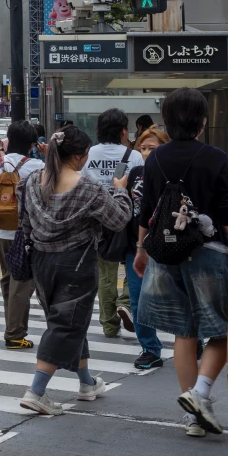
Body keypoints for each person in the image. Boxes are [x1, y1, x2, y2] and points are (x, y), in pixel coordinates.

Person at [135, 88, 228, 438]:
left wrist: (142, 250)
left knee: (183, 331)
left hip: (166, 255)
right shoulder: (215, 157)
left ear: (168, 121)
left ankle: (193, 418)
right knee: (223, 331)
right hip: (208, 255)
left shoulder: (154, 158)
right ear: (202, 122)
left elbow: (148, 211)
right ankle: (199, 394)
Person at [16, 126, 131, 415]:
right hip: (77, 263)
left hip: (41, 262)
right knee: (65, 325)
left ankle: (87, 383)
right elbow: (118, 219)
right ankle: (36, 391)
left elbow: (26, 224)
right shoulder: (88, 189)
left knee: (67, 322)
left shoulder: (31, 181)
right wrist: (120, 191)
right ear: (79, 156)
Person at [0, 120, 43, 350]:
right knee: (22, 283)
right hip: (25, 233)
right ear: (33, 144)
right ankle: (14, 334)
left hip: (1, 231)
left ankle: (13, 327)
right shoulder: (37, 167)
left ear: (8, 139)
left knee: (8, 279)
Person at [83, 108, 142, 339]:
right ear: (123, 131)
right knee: (131, 267)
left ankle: (109, 324)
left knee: (105, 274)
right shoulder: (133, 156)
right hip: (126, 220)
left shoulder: (88, 154)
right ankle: (126, 303)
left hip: (98, 220)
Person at [123, 125, 168, 371]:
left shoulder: (173, 173)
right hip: (136, 246)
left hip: (169, 246)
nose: (146, 153)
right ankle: (150, 349)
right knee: (139, 300)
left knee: (178, 296)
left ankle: (194, 340)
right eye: (143, 148)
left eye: (152, 148)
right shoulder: (135, 173)